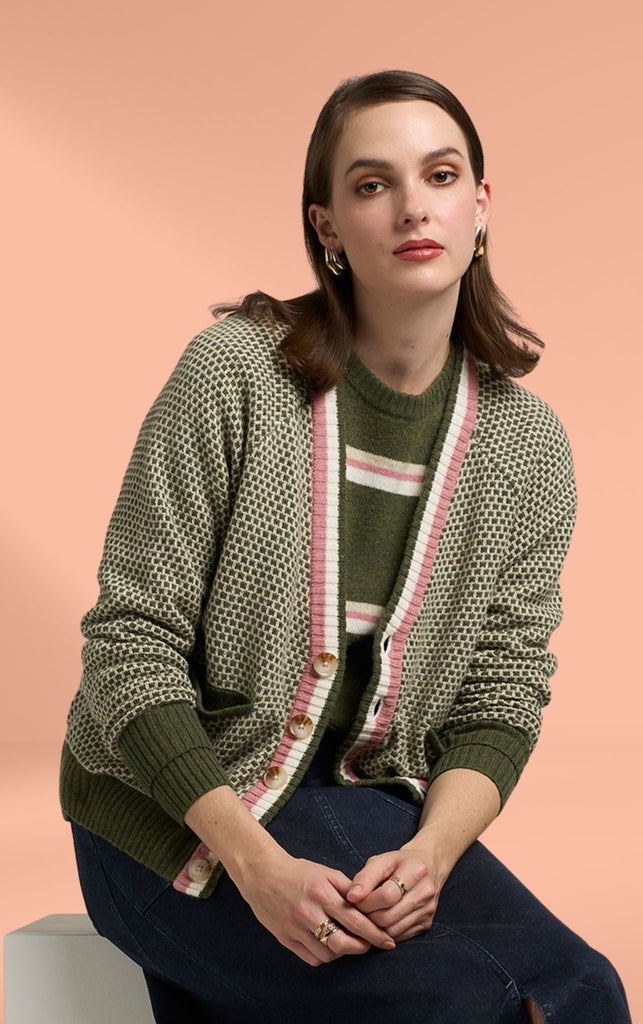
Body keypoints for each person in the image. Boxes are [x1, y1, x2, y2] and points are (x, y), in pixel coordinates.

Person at [60, 70, 631, 1023]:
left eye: (440, 176)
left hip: (362, 806)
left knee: (579, 992)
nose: (413, 206)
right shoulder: (236, 375)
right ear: (325, 226)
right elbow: (130, 648)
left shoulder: (525, 447)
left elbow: (500, 694)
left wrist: (432, 855)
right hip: (169, 819)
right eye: (372, 184)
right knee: (467, 1005)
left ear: (479, 205)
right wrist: (256, 866)